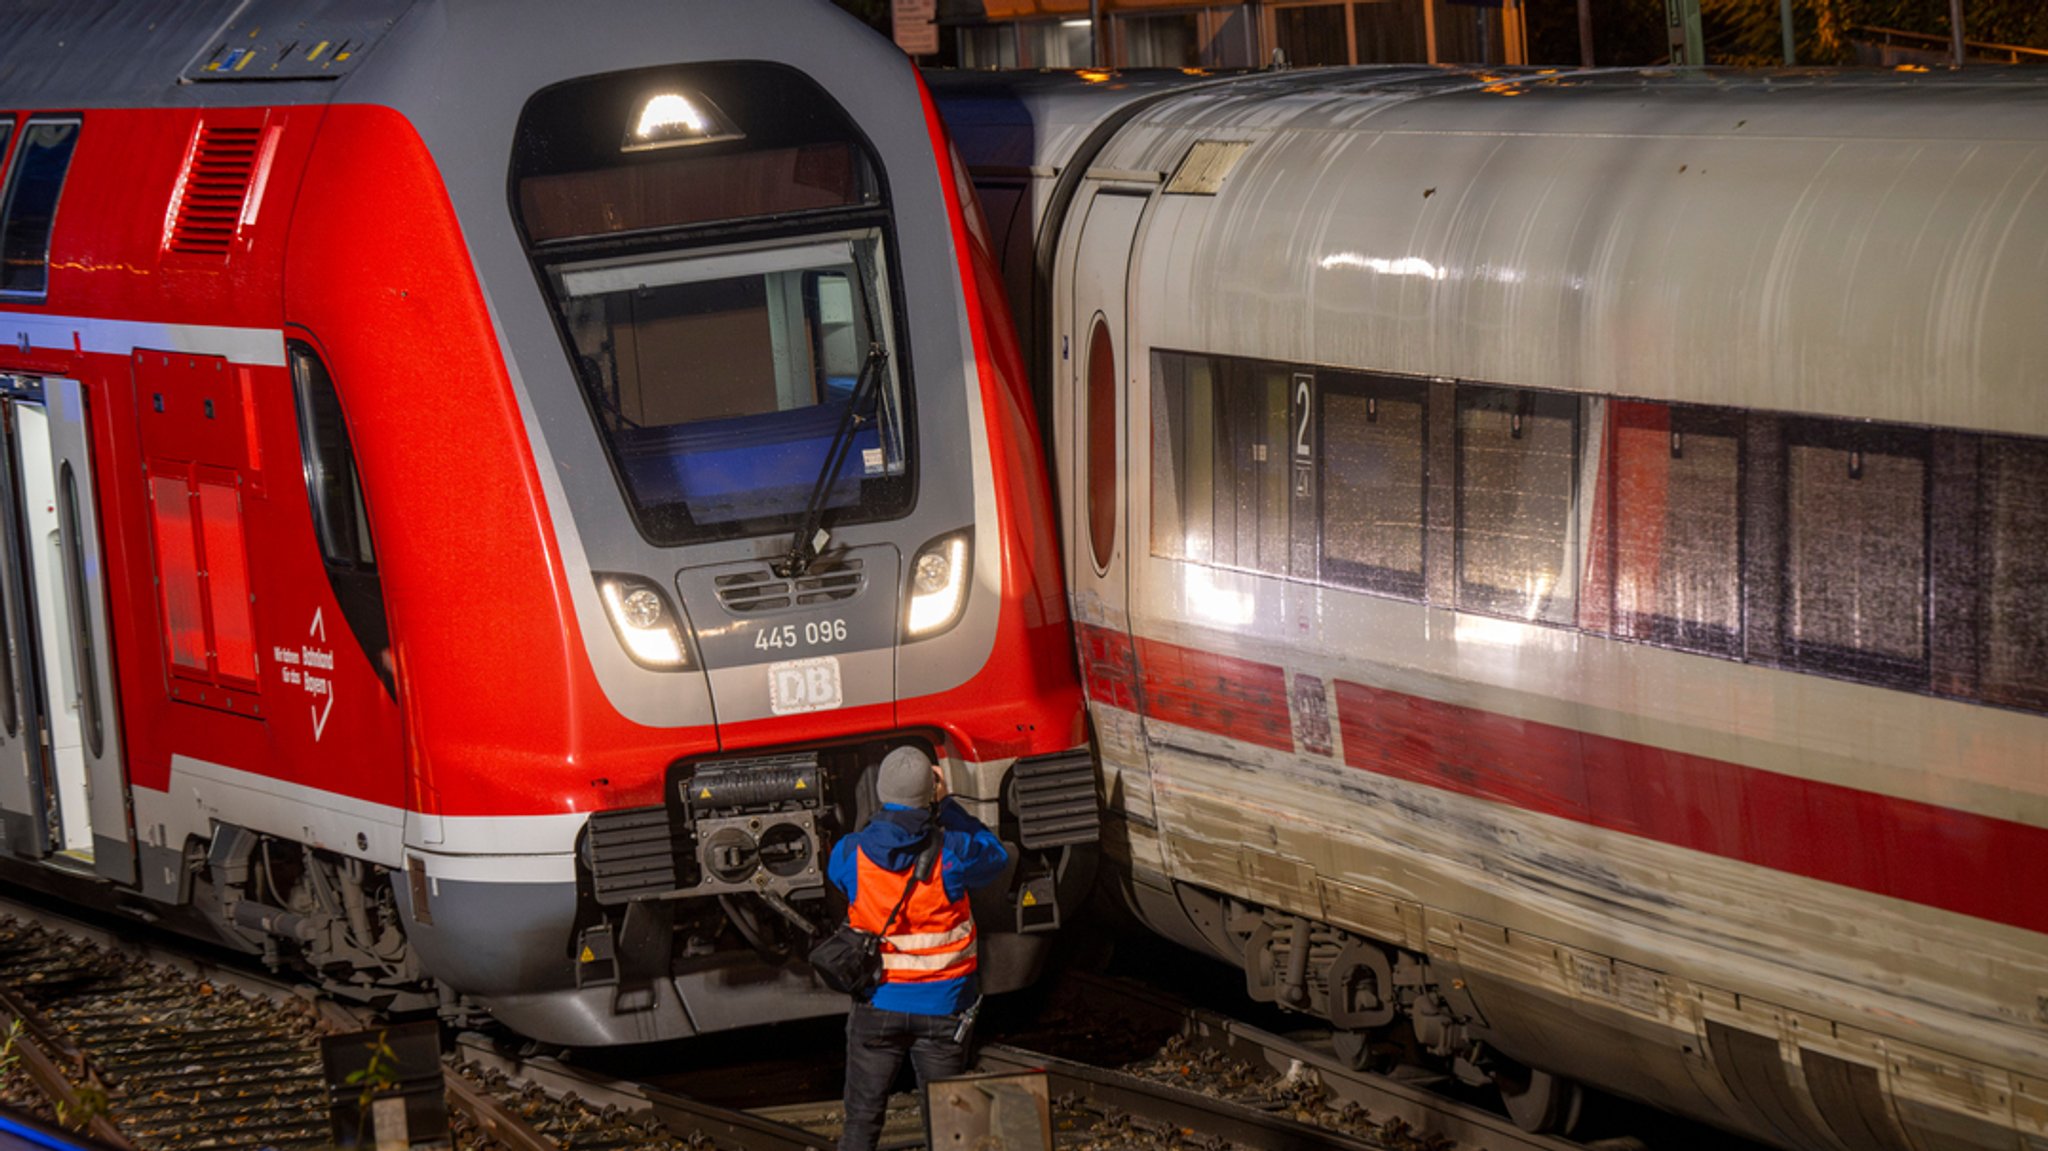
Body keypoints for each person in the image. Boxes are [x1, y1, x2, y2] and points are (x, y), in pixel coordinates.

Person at [828, 746, 1009, 1151]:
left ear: (881, 791)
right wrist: (947, 806)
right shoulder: (954, 852)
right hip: (944, 1007)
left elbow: (840, 878)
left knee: (861, 1122)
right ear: (929, 793)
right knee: (952, 1131)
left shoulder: (850, 853)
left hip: (877, 1005)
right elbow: (996, 856)